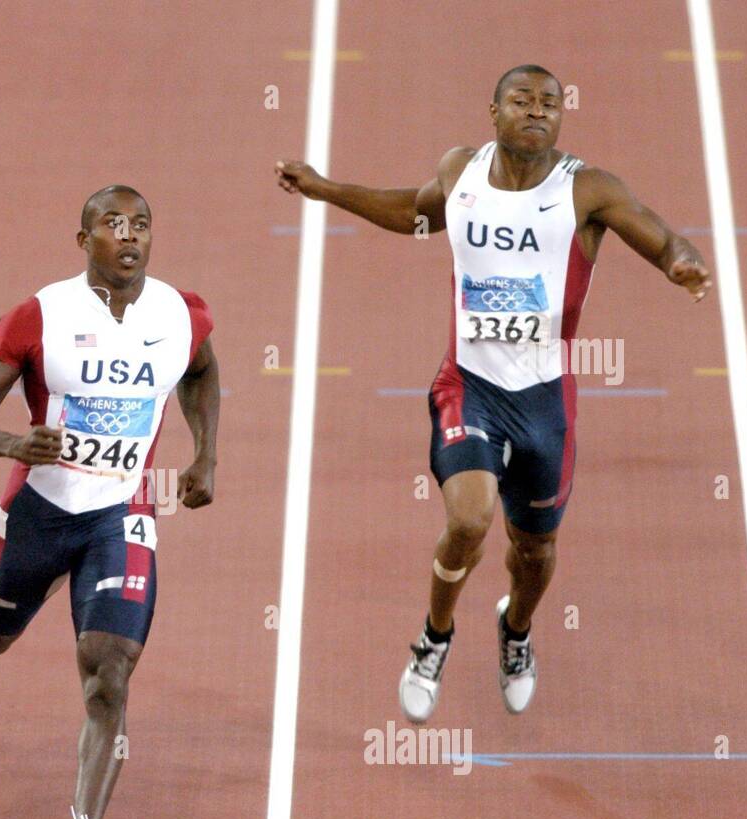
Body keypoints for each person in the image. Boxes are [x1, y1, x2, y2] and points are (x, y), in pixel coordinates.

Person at [275, 64, 711, 722]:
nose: (537, 111)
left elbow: (657, 231)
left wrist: (680, 260)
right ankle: (434, 636)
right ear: (494, 111)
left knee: (534, 550)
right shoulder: (462, 171)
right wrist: (327, 190)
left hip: (544, 400)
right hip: (468, 385)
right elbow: (415, 214)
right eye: (522, 100)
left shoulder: (587, 189)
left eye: (550, 103)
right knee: (469, 519)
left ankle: (517, 630)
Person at [0, 185, 220, 819]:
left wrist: (205, 455)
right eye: (112, 224)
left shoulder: (178, 313)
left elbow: (200, 369)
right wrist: (14, 440)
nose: (129, 236)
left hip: (119, 516)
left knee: (109, 674)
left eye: (141, 225)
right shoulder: (40, 316)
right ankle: (21, 594)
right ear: (83, 240)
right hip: (41, 510)